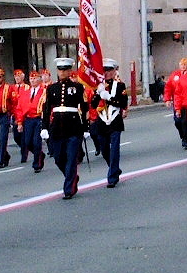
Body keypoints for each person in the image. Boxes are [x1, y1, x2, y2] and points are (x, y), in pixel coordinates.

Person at [41, 58, 89, 200]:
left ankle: (68, 189)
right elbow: (46, 109)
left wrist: (86, 128)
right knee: (58, 158)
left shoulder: (78, 87)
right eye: (60, 70)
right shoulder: (51, 88)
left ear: (69, 71)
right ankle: (72, 176)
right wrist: (44, 127)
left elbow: (85, 108)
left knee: (71, 158)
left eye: (65, 70)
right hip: (57, 127)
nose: (62, 72)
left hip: (74, 127)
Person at [91, 58, 128, 188]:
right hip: (101, 121)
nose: (106, 73)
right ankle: (114, 168)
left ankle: (112, 177)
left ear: (114, 71)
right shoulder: (99, 86)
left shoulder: (120, 86)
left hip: (115, 120)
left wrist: (109, 98)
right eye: (104, 70)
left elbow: (122, 103)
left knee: (115, 150)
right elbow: (93, 104)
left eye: (109, 70)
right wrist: (98, 93)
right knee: (104, 148)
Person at [15, 71, 47, 173]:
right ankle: (39, 154)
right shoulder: (25, 93)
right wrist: (19, 122)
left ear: (39, 79)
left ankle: (37, 164)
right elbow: (19, 108)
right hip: (28, 119)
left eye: (35, 78)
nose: (33, 80)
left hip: (38, 119)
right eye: (31, 79)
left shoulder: (44, 92)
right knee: (27, 142)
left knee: (36, 142)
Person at [164, 58, 187, 149]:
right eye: (181, 64)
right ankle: (183, 135)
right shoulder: (175, 75)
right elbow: (168, 87)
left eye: (185, 65)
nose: (183, 66)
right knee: (178, 121)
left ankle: (186, 139)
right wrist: (167, 99)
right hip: (177, 102)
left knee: (185, 122)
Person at [11, 69, 30, 162]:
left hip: (24, 114)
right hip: (15, 114)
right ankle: (24, 147)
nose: (17, 78)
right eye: (15, 76)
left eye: (19, 76)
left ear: (23, 77)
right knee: (16, 136)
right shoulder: (12, 88)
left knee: (24, 136)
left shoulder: (27, 88)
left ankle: (24, 154)